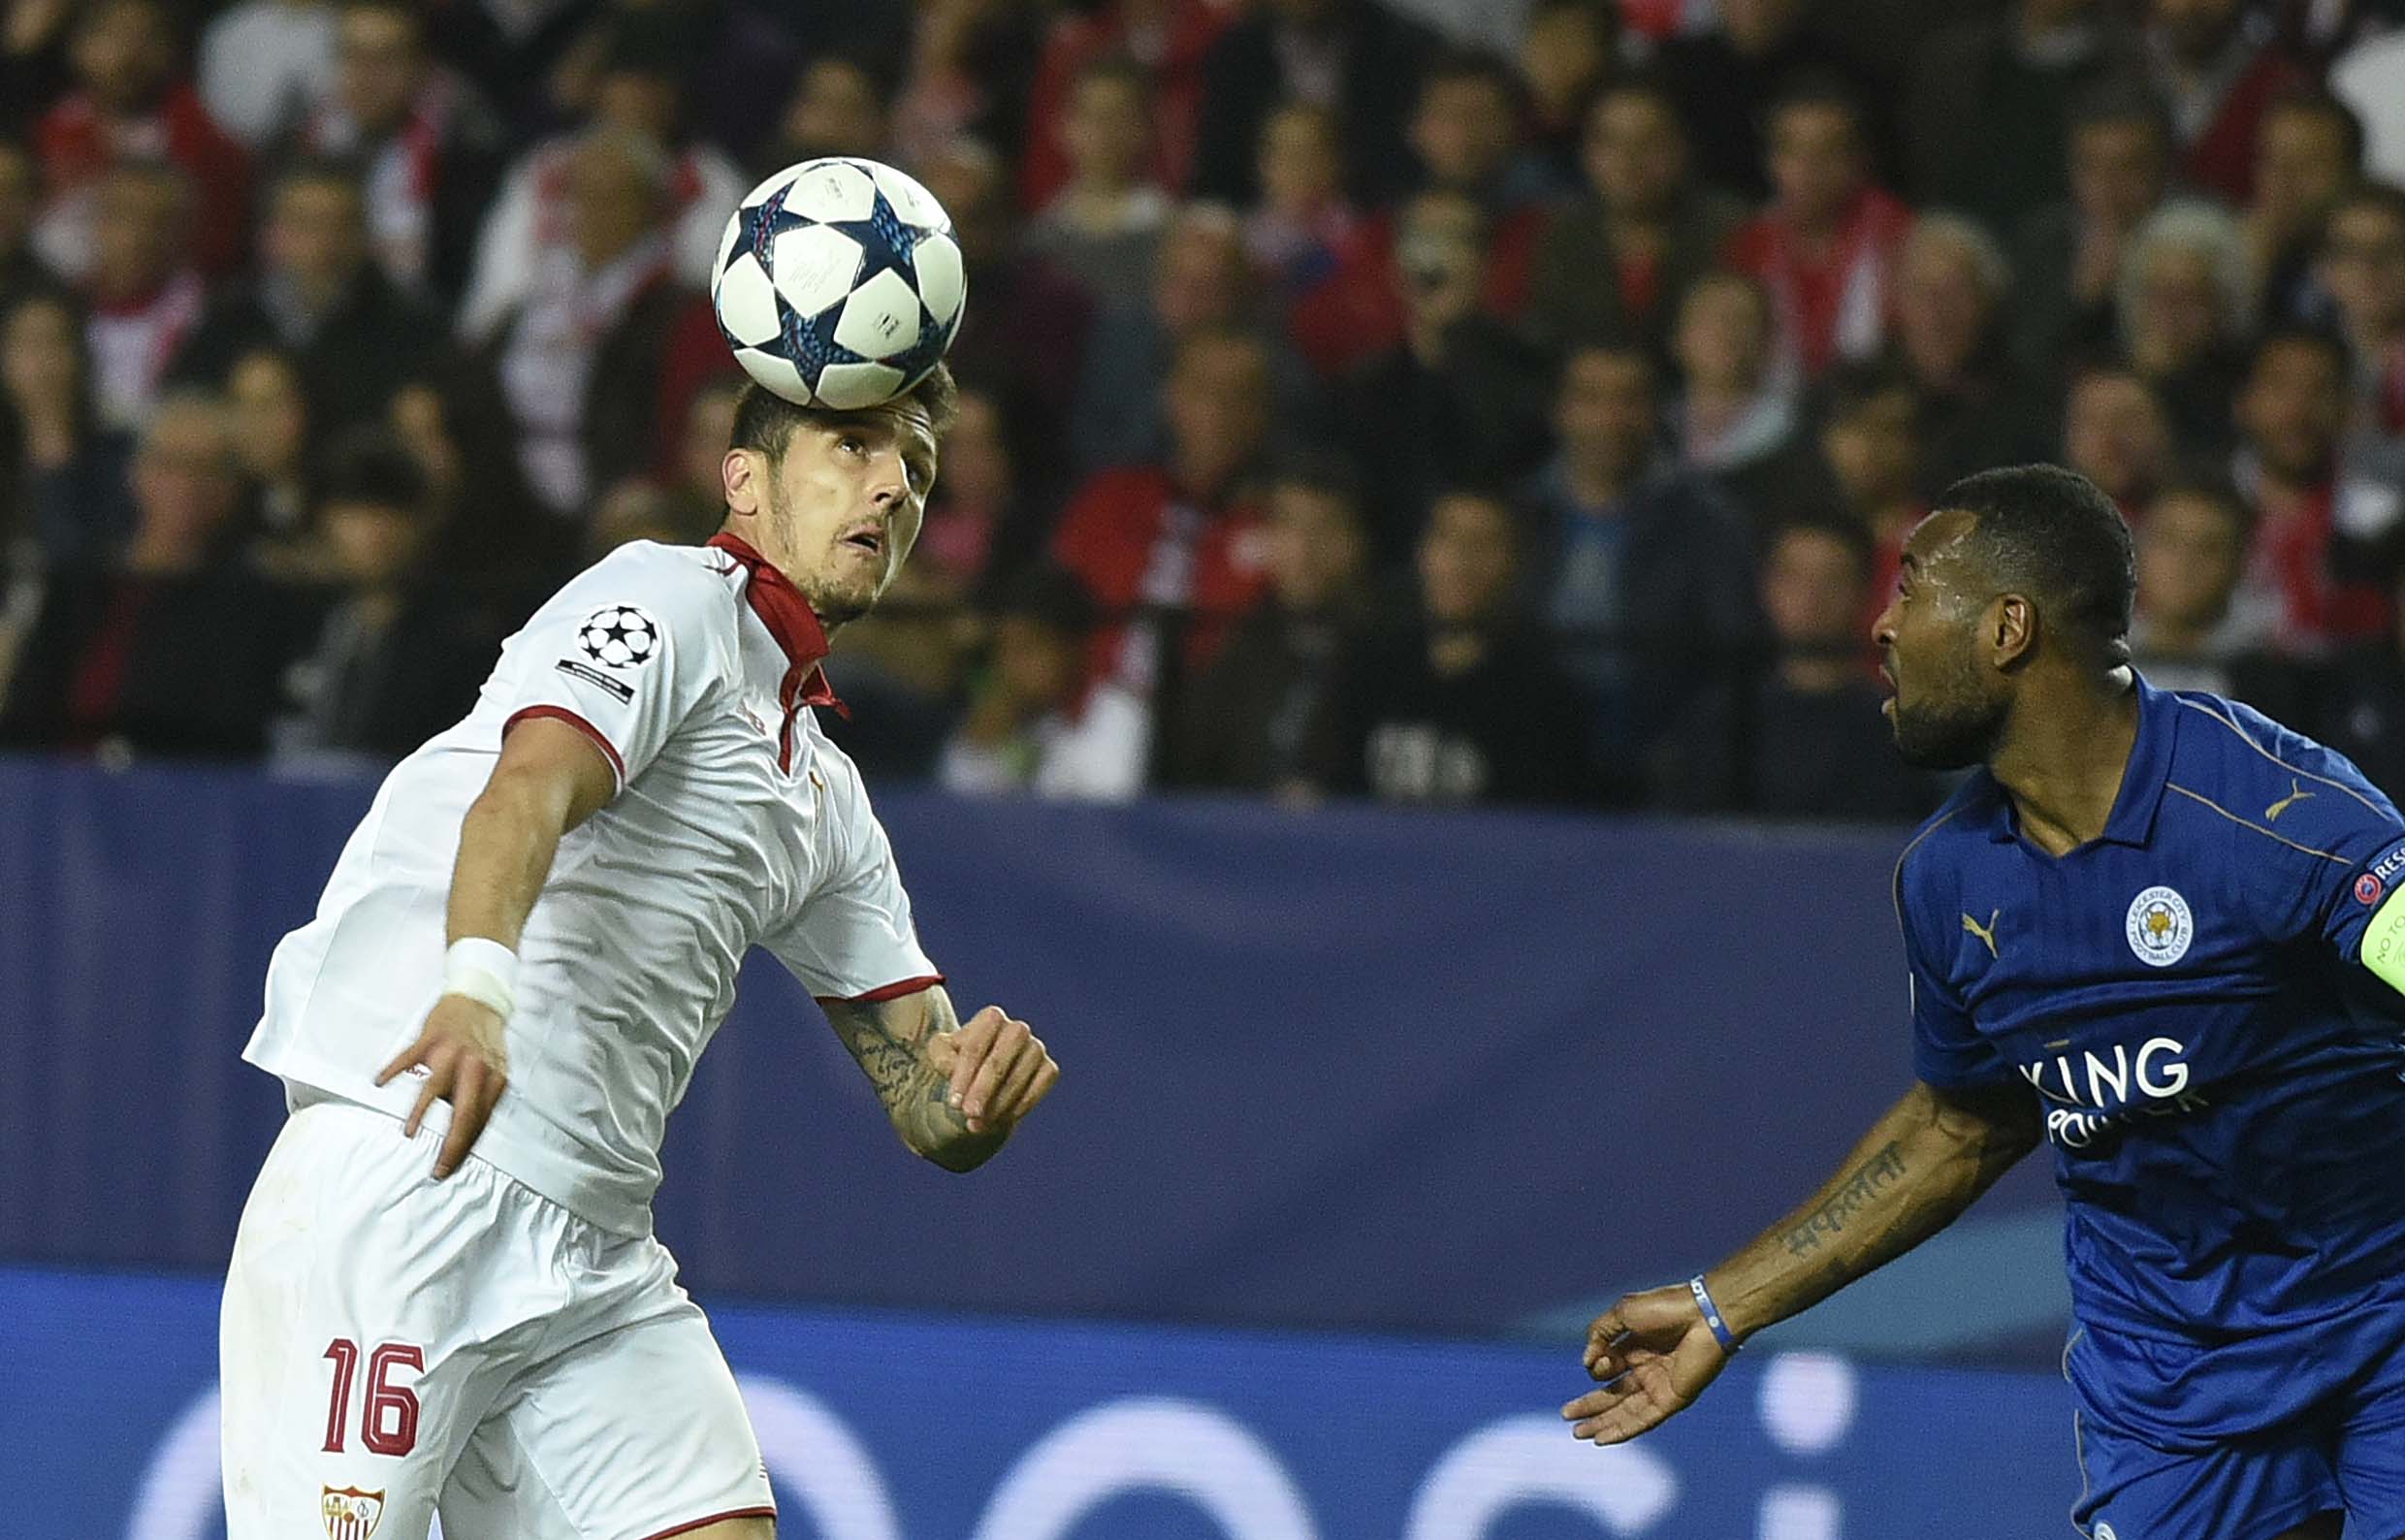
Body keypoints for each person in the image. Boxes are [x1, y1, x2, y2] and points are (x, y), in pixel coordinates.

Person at [220, 362, 1063, 1538]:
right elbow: (525, 790)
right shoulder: (664, 600)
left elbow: (921, 1091)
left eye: (915, 470)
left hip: (593, 1253)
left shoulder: (825, 799)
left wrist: (970, 1097)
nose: (890, 490)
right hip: (409, 1171)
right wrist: (472, 993)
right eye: (855, 448)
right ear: (745, 479)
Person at [1566, 464, 2405, 1540]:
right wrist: (1726, 1304)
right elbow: (1966, 1121)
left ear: (2007, 627)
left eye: (1909, 589)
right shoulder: (1949, 881)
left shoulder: (2270, 809)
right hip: (2169, 1394)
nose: (1879, 626)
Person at [1308, 488, 1594, 807]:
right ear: (1423, 553)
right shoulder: (1369, 670)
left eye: (1484, 544)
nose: (1462, 560)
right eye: (1447, 538)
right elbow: (1329, 793)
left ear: (1516, 562)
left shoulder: (1542, 697)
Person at [1651, 515, 1942, 819]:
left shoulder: (1898, 733)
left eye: (1833, 580)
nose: (1811, 598)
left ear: (1864, 592)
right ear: (1767, 587)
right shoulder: (1717, 723)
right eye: (1794, 577)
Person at [937, 561, 1149, 800]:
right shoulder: (1004, 717)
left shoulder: (1115, 713)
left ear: (1072, 649)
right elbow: (958, 808)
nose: (1011, 665)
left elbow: (1099, 812)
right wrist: (982, 741)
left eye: (1027, 648)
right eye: (1005, 648)